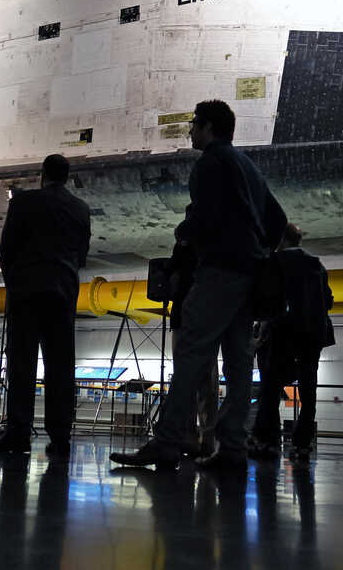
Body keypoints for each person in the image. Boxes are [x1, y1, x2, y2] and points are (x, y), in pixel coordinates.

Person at [111, 99, 286, 472]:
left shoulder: (209, 163)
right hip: (250, 274)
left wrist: (184, 232)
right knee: (239, 364)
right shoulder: (250, 167)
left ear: (208, 127)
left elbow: (203, 218)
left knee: (191, 352)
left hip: (220, 271)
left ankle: (168, 441)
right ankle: (233, 447)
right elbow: (278, 219)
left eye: (193, 124)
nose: (189, 131)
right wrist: (256, 248)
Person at [0, 154, 90, 456]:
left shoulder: (23, 202)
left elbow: (7, 247)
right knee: (60, 364)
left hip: (27, 291)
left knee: (22, 363)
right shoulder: (80, 209)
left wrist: (14, 282)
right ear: (67, 177)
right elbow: (82, 253)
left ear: (43, 174)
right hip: (63, 292)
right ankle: (60, 437)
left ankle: (18, 433)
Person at [250, 223, 333, 467]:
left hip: (283, 333)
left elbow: (269, 302)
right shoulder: (316, 264)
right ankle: (302, 444)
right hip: (313, 336)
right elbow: (327, 301)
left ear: (280, 239)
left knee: (270, 388)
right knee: (308, 393)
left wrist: (260, 336)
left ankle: (267, 441)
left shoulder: (276, 262)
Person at [166, 233, 219, 459]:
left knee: (183, 380)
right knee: (207, 382)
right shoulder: (214, 245)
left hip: (184, 316)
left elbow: (168, 273)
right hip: (207, 317)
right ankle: (207, 439)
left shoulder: (183, 246)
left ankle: (187, 436)